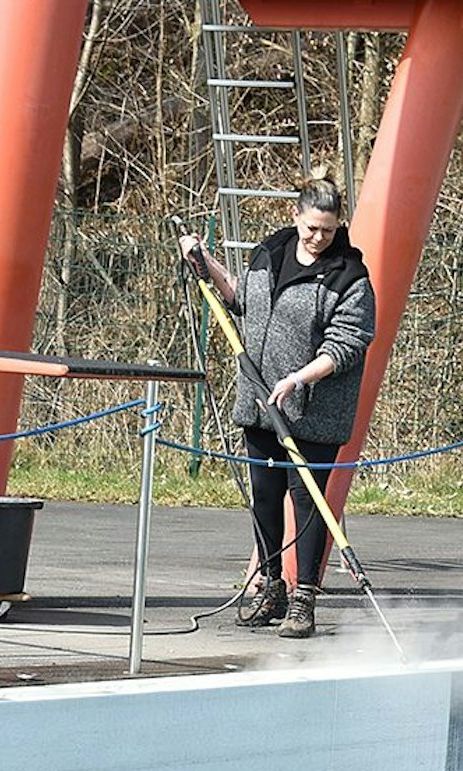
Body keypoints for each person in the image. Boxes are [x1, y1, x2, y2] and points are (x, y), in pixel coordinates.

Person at [178, 174, 376, 638]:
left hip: (313, 412)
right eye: (311, 227)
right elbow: (240, 301)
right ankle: (271, 587)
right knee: (265, 496)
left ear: (337, 224)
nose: (318, 237)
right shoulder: (268, 255)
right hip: (261, 403)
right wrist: (202, 260)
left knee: (308, 502)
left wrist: (299, 378)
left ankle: (304, 598)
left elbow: (347, 344)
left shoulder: (350, 276)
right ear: (296, 216)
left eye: (327, 229)